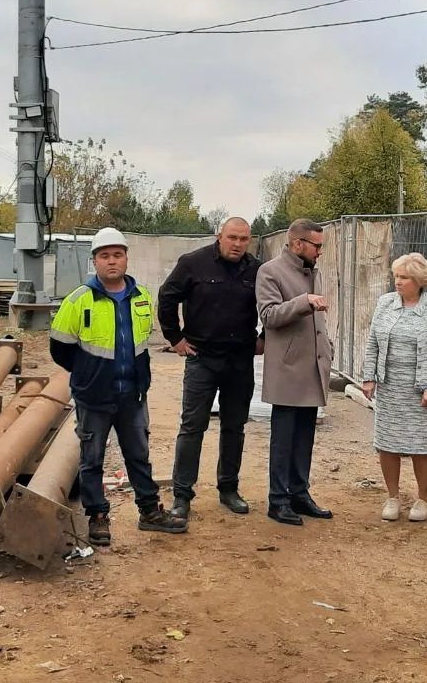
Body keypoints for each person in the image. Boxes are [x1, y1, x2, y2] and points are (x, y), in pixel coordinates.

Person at [49, 226, 187, 546]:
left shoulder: (141, 297)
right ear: (94, 261)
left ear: (126, 258)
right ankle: (97, 516)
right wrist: (87, 373)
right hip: (94, 396)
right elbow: (59, 347)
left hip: (132, 393)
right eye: (104, 256)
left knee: (138, 454)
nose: (112, 261)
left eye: (117, 255)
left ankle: (149, 512)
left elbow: (141, 342)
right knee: (91, 457)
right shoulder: (79, 300)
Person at [158, 217, 264, 519]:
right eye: (232, 237)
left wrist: (264, 339)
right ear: (220, 236)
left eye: (244, 239)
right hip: (202, 359)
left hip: (240, 361)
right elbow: (167, 297)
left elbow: (274, 305)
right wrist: (175, 338)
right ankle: (182, 494)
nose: (238, 244)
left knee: (234, 426)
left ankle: (228, 489)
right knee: (192, 427)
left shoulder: (256, 270)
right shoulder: (194, 263)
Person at [360, 253, 427, 522]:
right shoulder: (385, 303)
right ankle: (392, 496)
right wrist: (369, 377)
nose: (397, 282)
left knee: (421, 446)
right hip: (390, 386)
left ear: (418, 280)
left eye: (403, 277)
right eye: (395, 276)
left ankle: (422, 498)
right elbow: (373, 343)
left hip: (421, 389)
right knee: (387, 443)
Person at [256, 218, 334, 525]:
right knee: (284, 437)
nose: (320, 252)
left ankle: (300, 494)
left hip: (312, 365)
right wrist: (304, 302)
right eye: (317, 246)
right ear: (298, 243)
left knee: (305, 436)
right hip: (288, 368)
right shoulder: (270, 271)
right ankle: (278, 500)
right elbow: (269, 315)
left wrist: (327, 348)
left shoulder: (311, 271)